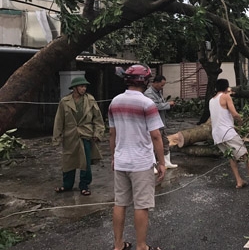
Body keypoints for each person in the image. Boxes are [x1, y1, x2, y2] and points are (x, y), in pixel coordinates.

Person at [109, 64, 165, 250]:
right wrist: (162, 162)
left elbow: (112, 134)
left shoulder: (114, 102)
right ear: (145, 81)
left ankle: (118, 245)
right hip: (141, 162)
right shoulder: (147, 103)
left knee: (120, 203)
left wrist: (113, 157)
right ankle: (141, 246)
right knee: (141, 205)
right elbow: (156, 135)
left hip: (121, 160)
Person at [53, 76, 105, 196]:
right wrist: (57, 137)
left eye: (85, 86)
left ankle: (84, 185)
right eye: (81, 86)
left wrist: (98, 133)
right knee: (68, 160)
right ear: (75, 88)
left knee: (85, 161)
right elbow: (59, 120)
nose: (84, 88)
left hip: (86, 133)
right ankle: (67, 185)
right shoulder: (65, 101)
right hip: (70, 135)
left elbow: (98, 118)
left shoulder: (90, 100)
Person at [209, 78, 249, 189]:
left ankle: (239, 181)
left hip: (216, 135)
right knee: (245, 154)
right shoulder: (226, 97)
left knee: (231, 157)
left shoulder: (211, 100)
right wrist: (241, 123)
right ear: (226, 88)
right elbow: (235, 114)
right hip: (227, 132)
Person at [144, 75, 178, 169]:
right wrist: (168, 104)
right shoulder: (149, 93)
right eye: (161, 85)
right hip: (153, 123)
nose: (162, 87)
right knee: (154, 144)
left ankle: (167, 162)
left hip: (161, 122)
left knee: (165, 142)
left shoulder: (158, 92)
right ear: (155, 82)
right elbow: (155, 106)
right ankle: (152, 165)